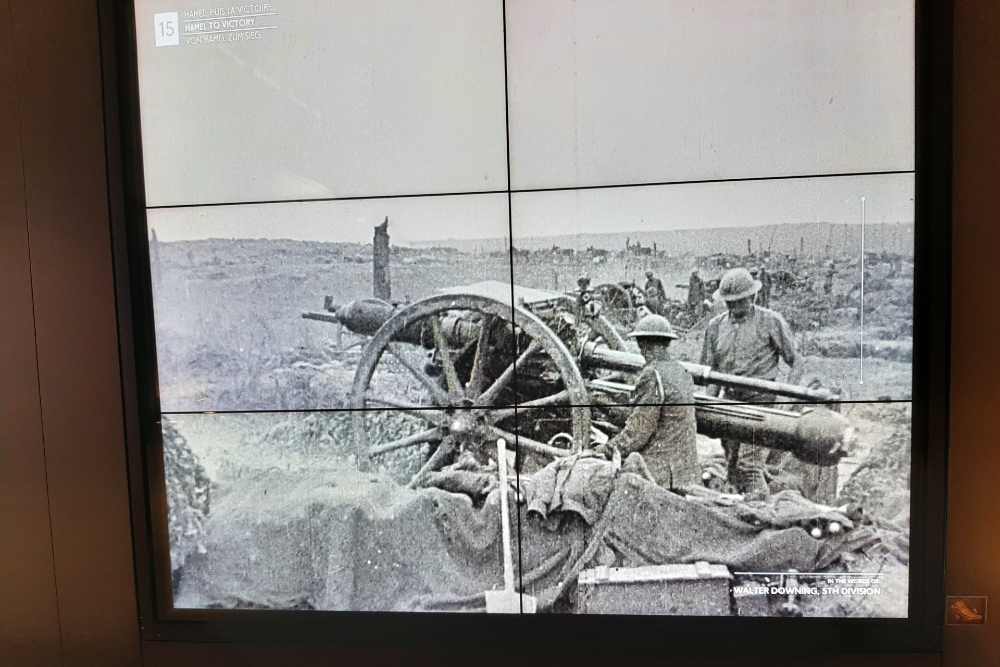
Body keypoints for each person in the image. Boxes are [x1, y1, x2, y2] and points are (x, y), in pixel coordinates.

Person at [701, 268, 797, 499]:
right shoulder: (715, 327)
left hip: (760, 401)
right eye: (729, 303)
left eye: (739, 302)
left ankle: (763, 511)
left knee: (749, 464)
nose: (734, 308)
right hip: (729, 401)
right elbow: (709, 371)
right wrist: (711, 402)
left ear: (752, 297)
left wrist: (787, 397)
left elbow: (796, 361)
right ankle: (741, 510)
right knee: (732, 463)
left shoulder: (770, 321)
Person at [593, 314, 701, 492]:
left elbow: (638, 432)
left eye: (641, 345)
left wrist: (605, 449)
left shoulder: (653, 374)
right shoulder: (682, 372)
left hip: (659, 471)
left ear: (645, 345)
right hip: (685, 469)